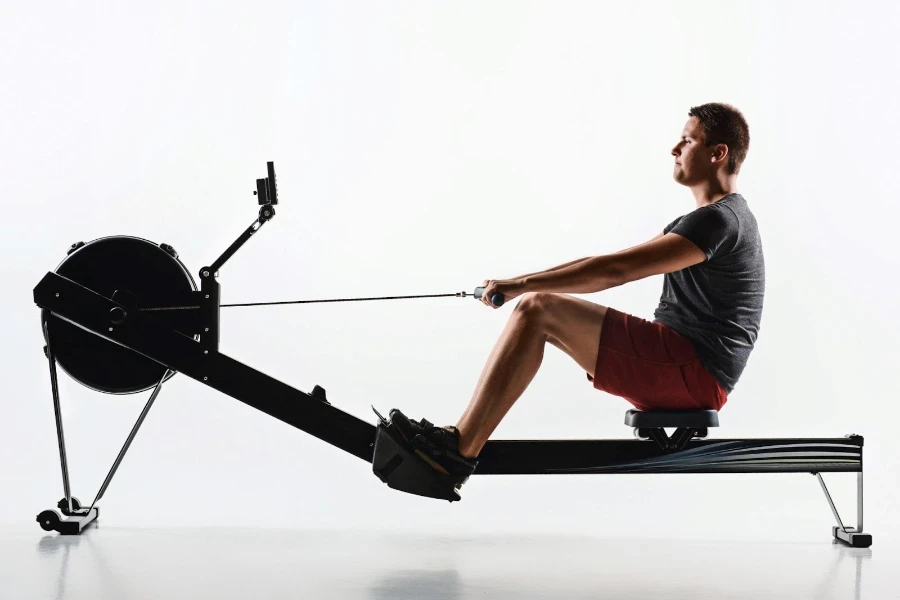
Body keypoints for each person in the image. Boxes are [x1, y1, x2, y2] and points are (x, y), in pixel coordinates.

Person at [390, 102, 764, 482]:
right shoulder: (710, 219)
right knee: (537, 306)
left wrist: (522, 287)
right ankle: (458, 442)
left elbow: (615, 272)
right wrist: (517, 282)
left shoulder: (719, 220)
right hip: (685, 366)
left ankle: (455, 452)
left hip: (692, 372)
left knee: (538, 309)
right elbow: (607, 261)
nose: (674, 149)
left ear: (718, 153)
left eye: (687, 141)